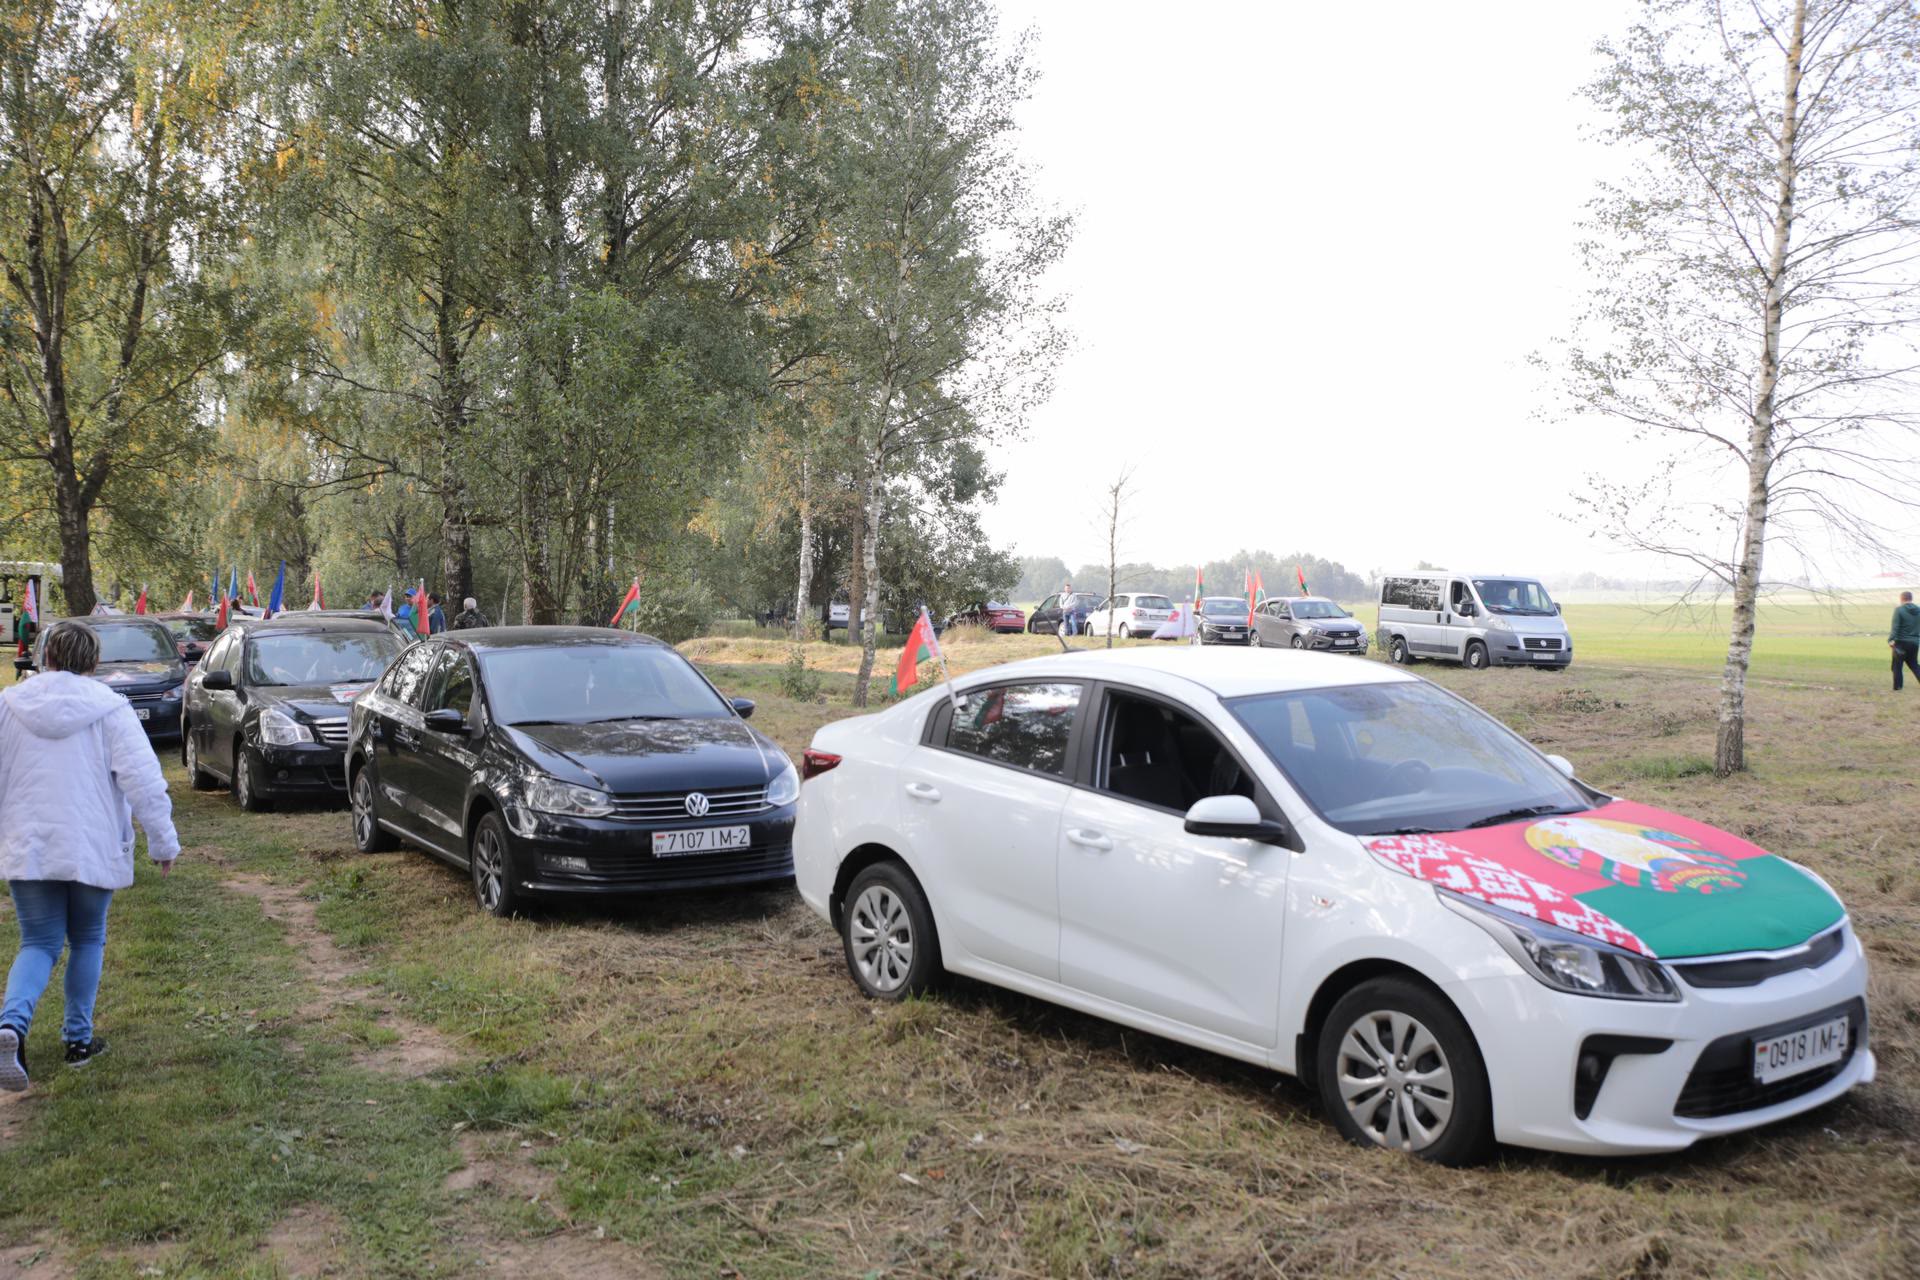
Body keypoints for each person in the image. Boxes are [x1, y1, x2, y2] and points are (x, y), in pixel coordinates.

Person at [0, 621, 179, 1090]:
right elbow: (143, 782)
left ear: (47, 657)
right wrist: (163, 842)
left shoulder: (8, 706)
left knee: (38, 943)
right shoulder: (111, 709)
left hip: (30, 845)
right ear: (93, 662)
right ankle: (78, 1041)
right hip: (91, 844)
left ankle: (11, 1026)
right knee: (87, 940)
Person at [1892, 590, 1920, 692]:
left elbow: (1896, 626)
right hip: (1915, 642)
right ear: (1911, 598)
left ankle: (1897, 688)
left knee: (1897, 666)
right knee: (1914, 664)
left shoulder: (1899, 610)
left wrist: (1891, 639)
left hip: (1901, 642)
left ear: (1901, 599)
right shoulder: (1918, 610)